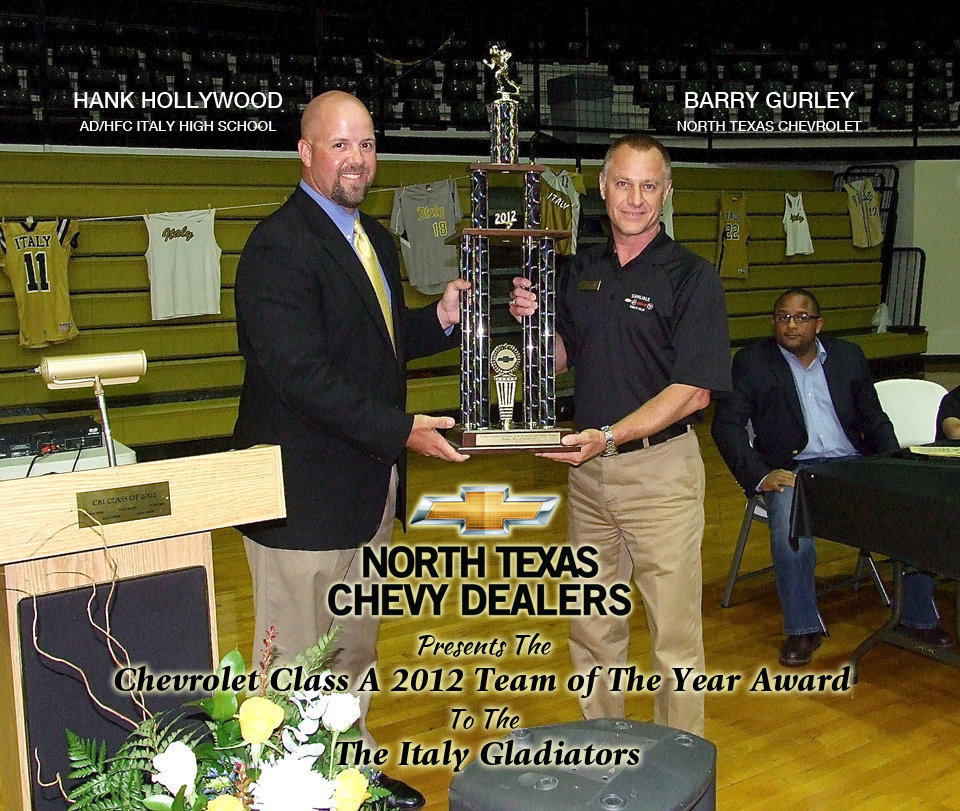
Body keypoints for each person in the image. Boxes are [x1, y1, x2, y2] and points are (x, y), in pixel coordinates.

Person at [233, 91, 468, 807]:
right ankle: (285, 789)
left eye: (366, 144)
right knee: (294, 670)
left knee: (352, 654)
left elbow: (380, 348)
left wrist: (443, 318)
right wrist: (402, 430)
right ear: (304, 152)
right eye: (340, 145)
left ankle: (350, 776)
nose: (357, 159)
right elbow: (304, 377)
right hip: (299, 502)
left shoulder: (372, 240)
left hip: (367, 494)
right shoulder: (278, 245)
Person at [510, 133, 731, 737]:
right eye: (624, 183)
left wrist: (608, 436)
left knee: (675, 641)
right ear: (603, 188)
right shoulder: (582, 271)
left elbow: (694, 390)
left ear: (665, 192)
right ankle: (602, 749)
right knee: (592, 626)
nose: (635, 198)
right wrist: (533, 326)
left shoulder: (691, 277)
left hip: (659, 474)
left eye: (649, 185)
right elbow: (557, 360)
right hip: (588, 476)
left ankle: (679, 771)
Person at [712, 288, 949, 667]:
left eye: (801, 317)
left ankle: (917, 618)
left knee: (916, 510)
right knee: (791, 528)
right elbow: (726, 427)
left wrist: (889, 466)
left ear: (819, 324)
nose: (791, 324)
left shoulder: (848, 357)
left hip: (854, 465)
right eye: (782, 317)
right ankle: (802, 629)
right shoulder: (752, 362)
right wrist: (760, 476)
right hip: (795, 471)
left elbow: (874, 420)